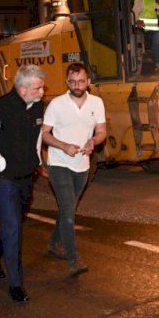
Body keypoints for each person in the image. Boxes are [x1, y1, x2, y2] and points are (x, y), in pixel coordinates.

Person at [0, 65, 45, 303]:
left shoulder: (38, 106)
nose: (42, 91)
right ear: (23, 89)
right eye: (38, 87)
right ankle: (15, 284)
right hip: (3, 178)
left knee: (14, 221)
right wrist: (2, 163)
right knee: (14, 229)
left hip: (27, 176)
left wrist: (36, 160)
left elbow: (36, 137)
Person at [42, 62, 106, 277]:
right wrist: (63, 146)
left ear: (88, 82)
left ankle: (53, 242)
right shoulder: (56, 104)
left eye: (81, 81)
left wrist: (93, 142)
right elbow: (45, 134)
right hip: (59, 162)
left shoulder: (97, 103)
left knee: (67, 208)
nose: (76, 85)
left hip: (82, 166)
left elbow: (102, 131)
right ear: (67, 82)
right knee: (69, 211)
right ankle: (73, 259)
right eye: (72, 81)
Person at [132, 0, 159, 72]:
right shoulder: (143, 1)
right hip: (145, 33)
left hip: (156, 32)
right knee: (158, 36)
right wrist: (137, 21)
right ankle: (158, 63)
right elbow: (133, 13)